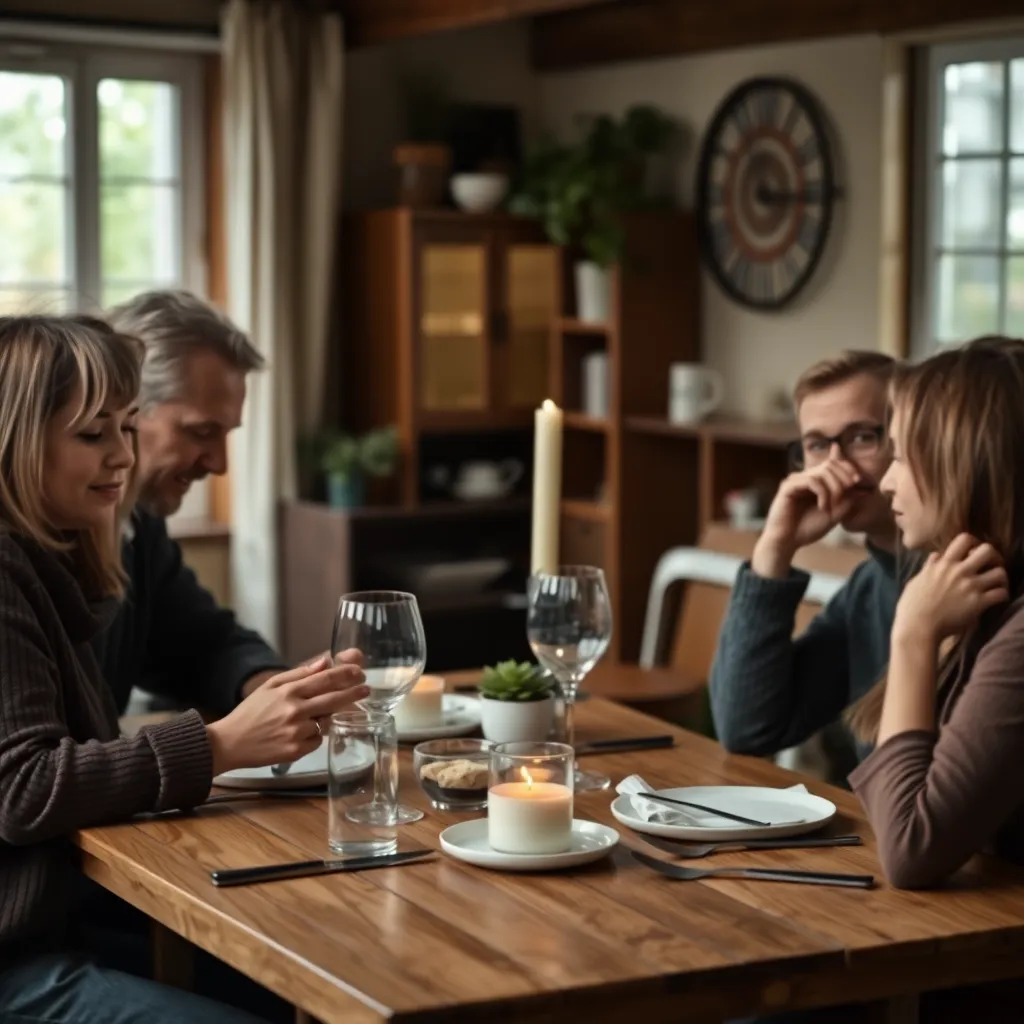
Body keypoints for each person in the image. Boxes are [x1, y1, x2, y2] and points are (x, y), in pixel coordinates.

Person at [0, 314, 368, 1023]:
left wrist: (271, 691)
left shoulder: (75, 550)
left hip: (59, 911)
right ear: (17, 440)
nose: (120, 455)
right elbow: (20, 786)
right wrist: (221, 743)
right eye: (93, 433)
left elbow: (201, 640)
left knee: (310, 978)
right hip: (21, 954)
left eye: (126, 428)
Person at [95, 290, 291, 716]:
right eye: (201, 432)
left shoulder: (137, 527)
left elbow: (203, 643)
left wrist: (273, 692)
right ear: (124, 409)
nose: (220, 464)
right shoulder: (25, 545)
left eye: (226, 435)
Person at [709, 351, 899, 765]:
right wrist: (774, 548)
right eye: (816, 444)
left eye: (862, 437)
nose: (835, 465)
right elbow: (748, 728)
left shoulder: (966, 579)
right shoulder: (868, 589)